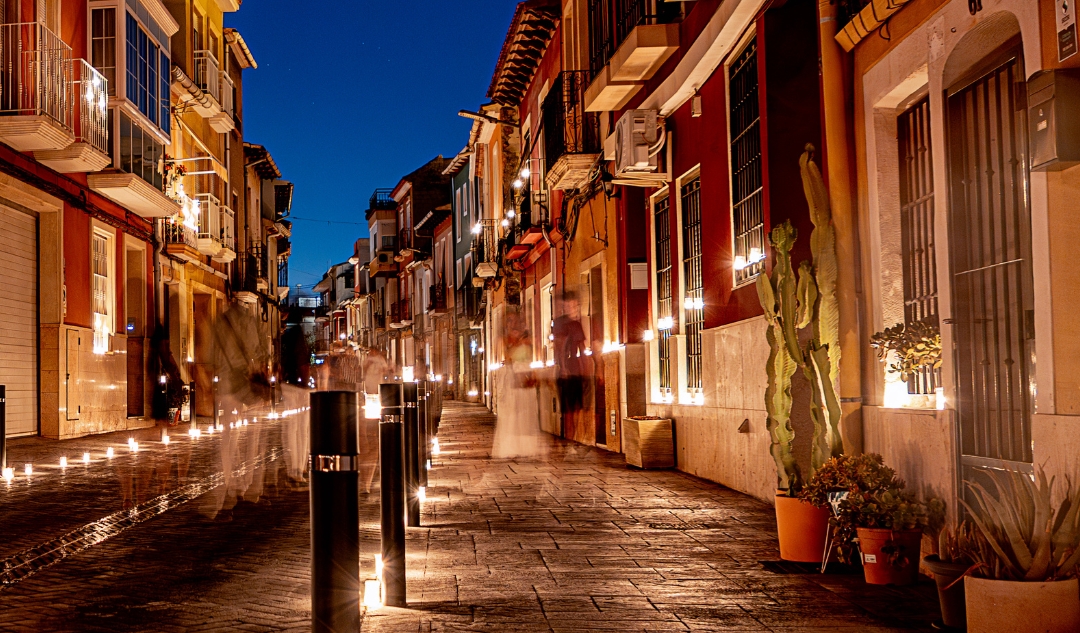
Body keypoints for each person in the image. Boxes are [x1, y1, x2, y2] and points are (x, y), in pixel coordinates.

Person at [492, 309, 546, 459]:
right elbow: (506, 358)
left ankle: (526, 448)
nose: (512, 323)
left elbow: (530, 356)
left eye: (514, 320)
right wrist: (516, 345)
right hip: (512, 377)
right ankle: (512, 447)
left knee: (525, 413)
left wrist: (533, 374)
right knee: (513, 414)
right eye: (509, 321)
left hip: (526, 374)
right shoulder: (503, 340)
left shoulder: (526, 338)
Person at [552, 290, 587, 437]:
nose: (571, 308)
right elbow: (559, 347)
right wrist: (564, 368)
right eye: (568, 305)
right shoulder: (559, 323)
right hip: (566, 369)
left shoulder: (576, 324)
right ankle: (571, 437)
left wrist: (586, 369)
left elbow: (582, 349)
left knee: (578, 406)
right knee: (568, 408)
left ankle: (576, 436)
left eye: (573, 305)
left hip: (576, 369)